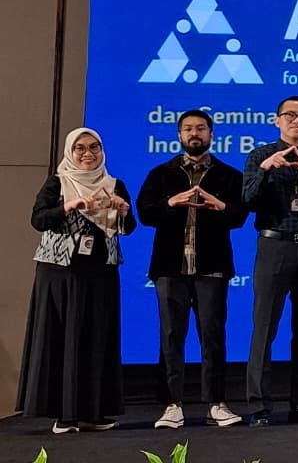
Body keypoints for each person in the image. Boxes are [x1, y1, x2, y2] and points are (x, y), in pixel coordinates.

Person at [18, 128, 136, 434]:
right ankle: (64, 415)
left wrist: (124, 211)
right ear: (70, 152)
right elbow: (38, 219)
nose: (88, 154)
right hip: (60, 273)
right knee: (63, 340)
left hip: (101, 273)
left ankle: (93, 413)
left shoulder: (114, 184)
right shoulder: (58, 182)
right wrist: (69, 206)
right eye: (80, 148)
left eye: (94, 147)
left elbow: (128, 228)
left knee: (96, 341)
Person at [136, 110, 248, 429]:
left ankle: (216, 403)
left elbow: (240, 216)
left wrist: (219, 205)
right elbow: (144, 214)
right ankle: (172, 404)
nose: (194, 133)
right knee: (172, 336)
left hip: (212, 267)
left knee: (212, 335)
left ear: (211, 134)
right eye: (188, 129)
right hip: (169, 267)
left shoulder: (229, 175)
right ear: (179, 135)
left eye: (200, 128)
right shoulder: (161, 173)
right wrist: (171, 203)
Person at [242, 95, 298, 427]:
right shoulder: (260, 155)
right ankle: (258, 407)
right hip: (274, 245)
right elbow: (247, 200)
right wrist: (266, 170)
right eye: (290, 115)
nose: (297, 120)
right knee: (264, 327)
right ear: (277, 120)